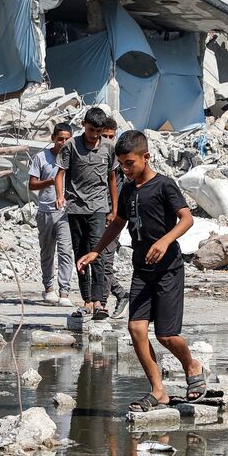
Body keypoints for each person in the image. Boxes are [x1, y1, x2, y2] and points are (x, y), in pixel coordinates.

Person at [77, 130, 206, 412]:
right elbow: (117, 223)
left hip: (169, 269)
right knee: (136, 328)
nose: (125, 169)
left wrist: (165, 240)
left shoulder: (164, 185)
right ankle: (158, 390)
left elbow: (187, 219)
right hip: (142, 270)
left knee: (166, 336)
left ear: (146, 157)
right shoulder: (127, 189)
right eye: (121, 164)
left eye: (130, 163)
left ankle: (192, 364)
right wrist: (96, 250)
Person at [55, 107, 119, 320]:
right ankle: (87, 300)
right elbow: (60, 174)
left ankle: (100, 302)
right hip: (75, 208)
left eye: (98, 132)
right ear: (84, 125)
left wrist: (114, 209)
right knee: (80, 253)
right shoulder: (71, 146)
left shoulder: (109, 148)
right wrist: (60, 196)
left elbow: (112, 179)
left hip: (99, 208)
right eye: (91, 130)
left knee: (97, 252)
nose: (94, 136)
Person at [28, 123, 75, 307]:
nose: (63, 142)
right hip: (46, 211)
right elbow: (32, 184)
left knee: (65, 251)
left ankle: (64, 292)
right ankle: (49, 288)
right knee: (47, 252)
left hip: (65, 213)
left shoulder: (73, 158)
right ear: (53, 138)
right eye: (60, 139)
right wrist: (51, 180)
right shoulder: (41, 158)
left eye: (67, 139)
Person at [100, 117, 130, 320]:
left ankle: (104, 303)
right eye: (105, 137)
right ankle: (109, 299)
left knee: (104, 262)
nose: (109, 141)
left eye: (112, 136)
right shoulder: (95, 159)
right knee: (94, 260)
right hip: (94, 215)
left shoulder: (122, 164)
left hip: (114, 219)